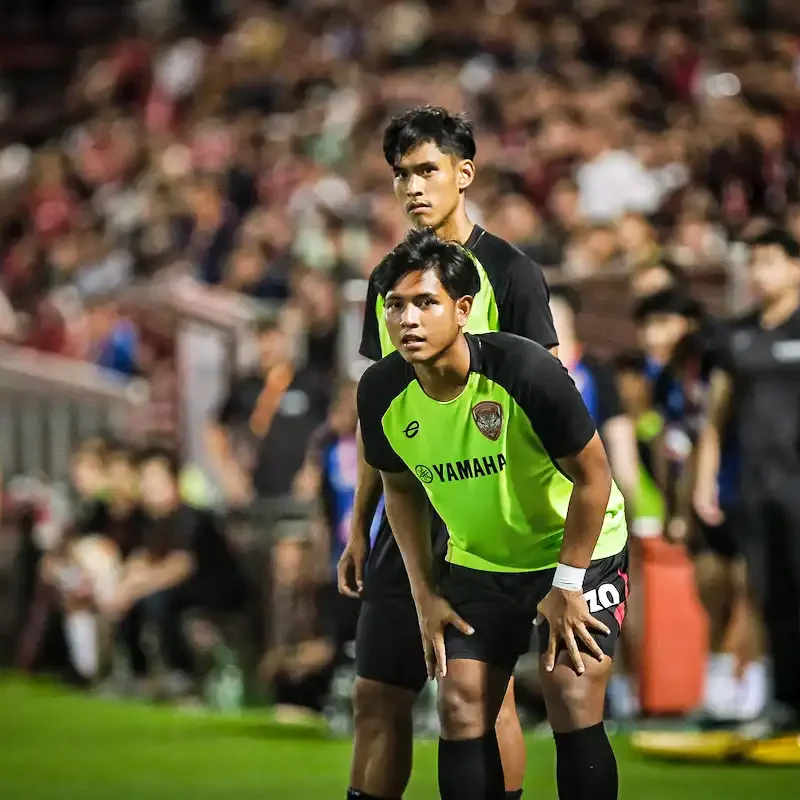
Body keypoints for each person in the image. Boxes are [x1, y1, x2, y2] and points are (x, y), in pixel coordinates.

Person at [358, 228, 628, 800]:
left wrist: (567, 583)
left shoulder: (525, 370)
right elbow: (400, 490)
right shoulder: (380, 390)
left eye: (425, 302)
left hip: (578, 551)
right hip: (481, 561)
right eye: (395, 305)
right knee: (459, 703)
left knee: (571, 696)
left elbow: (595, 476)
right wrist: (425, 596)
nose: (408, 319)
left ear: (462, 310)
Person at [340, 106, 558, 800]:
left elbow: (552, 408)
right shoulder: (389, 282)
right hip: (406, 518)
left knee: (481, 700)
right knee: (376, 696)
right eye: (401, 174)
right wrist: (357, 522)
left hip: (487, 523)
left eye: (427, 169)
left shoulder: (513, 274)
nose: (412, 187)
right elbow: (380, 416)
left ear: (464, 174)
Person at [694, 228, 800, 738]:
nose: (760, 273)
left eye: (771, 262)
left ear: (795, 267)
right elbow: (716, 419)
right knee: (770, 596)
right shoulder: (736, 336)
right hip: (758, 489)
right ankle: (782, 705)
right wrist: (704, 481)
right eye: (754, 263)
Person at [105, 446, 247, 697]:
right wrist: (124, 587)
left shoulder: (192, 518)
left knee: (157, 600)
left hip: (212, 593)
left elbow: (180, 566)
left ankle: (181, 674)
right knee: (132, 603)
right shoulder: (151, 522)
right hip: (178, 591)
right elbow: (142, 558)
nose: (148, 486)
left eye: (154, 478)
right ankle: (136, 675)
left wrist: (139, 586)